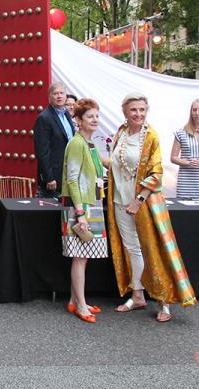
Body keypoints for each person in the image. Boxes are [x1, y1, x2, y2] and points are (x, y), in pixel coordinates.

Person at [108, 92, 196, 322]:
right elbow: (117, 165)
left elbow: (157, 173)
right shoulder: (121, 132)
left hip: (144, 203)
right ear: (125, 112)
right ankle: (138, 296)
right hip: (119, 201)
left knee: (154, 249)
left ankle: (164, 302)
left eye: (142, 109)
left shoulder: (151, 136)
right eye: (133, 110)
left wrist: (139, 200)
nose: (138, 114)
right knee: (132, 249)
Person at [61, 99, 108, 323]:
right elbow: (72, 180)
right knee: (80, 257)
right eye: (90, 117)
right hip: (81, 206)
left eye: (97, 116)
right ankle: (80, 303)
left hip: (91, 202)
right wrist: (80, 213)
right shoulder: (77, 143)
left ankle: (75, 300)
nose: (95, 120)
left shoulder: (89, 143)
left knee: (83, 256)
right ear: (78, 120)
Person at [33, 82, 75, 198]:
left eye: (62, 93)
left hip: (69, 171)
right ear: (49, 97)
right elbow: (42, 151)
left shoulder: (66, 114)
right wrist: (48, 177)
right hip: (54, 176)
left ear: (66, 96)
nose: (59, 96)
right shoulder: (44, 118)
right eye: (55, 93)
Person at [170, 98, 199, 199]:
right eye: (194, 110)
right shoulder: (181, 133)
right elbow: (173, 157)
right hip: (186, 184)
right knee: (186, 213)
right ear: (190, 112)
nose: (197, 113)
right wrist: (188, 162)